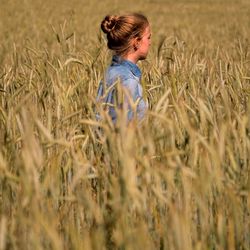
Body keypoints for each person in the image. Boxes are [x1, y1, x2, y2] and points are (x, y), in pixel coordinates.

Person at [96, 13, 151, 123]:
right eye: (148, 37)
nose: (150, 43)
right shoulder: (129, 81)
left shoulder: (109, 73)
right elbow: (127, 129)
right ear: (136, 42)